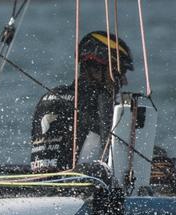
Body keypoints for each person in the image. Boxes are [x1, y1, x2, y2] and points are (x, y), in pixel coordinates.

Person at [30, 31, 133, 173]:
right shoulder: (99, 98)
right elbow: (111, 155)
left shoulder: (50, 95)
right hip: (80, 187)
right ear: (97, 69)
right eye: (118, 71)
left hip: (41, 184)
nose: (123, 80)